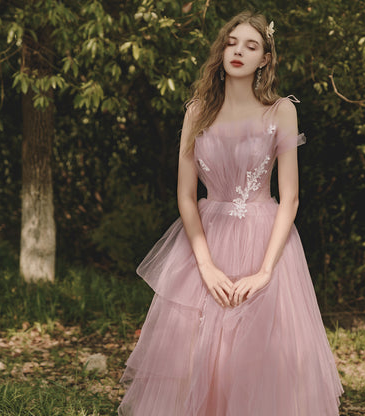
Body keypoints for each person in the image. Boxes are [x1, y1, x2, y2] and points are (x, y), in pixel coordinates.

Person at [118, 11, 343, 416]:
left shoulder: (281, 112)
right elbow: (186, 195)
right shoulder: (196, 111)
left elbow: (289, 198)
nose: (238, 51)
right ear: (221, 50)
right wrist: (204, 265)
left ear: (266, 60)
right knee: (197, 354)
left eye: (251, 46)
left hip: (267, 240)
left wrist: (264, 272)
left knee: (259, 356)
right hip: (206, 240)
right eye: (232, 43)